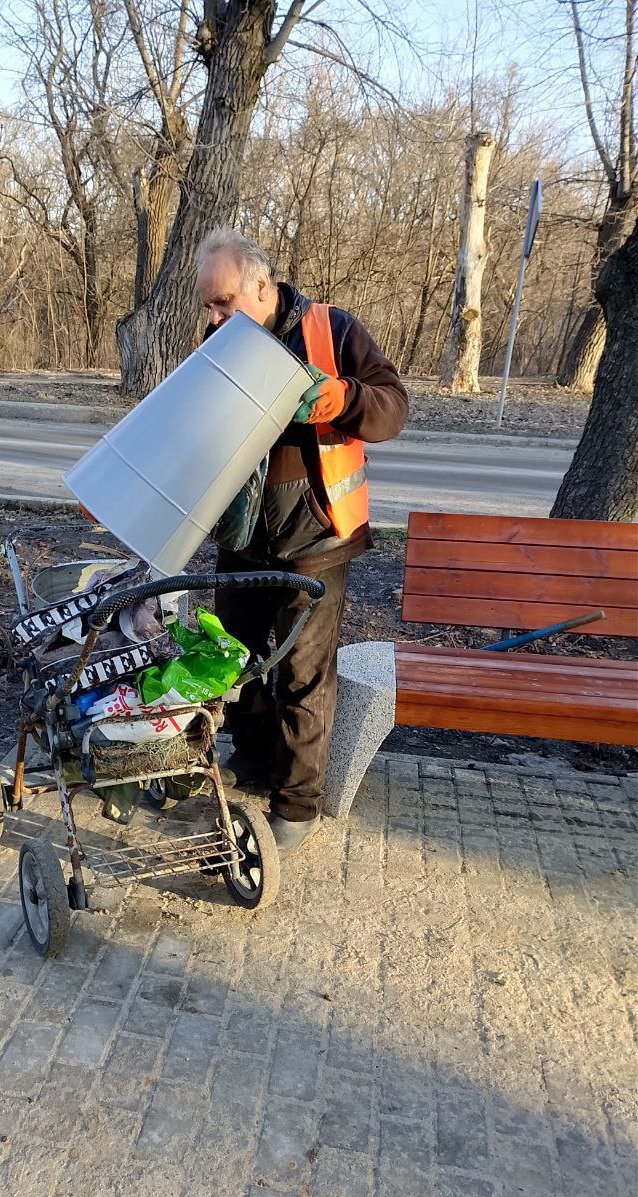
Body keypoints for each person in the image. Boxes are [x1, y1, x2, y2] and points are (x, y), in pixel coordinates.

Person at [196, 227, 407, 856]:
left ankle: (296, 804)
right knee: (233, 659)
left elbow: (393, 407)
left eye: (224, 302)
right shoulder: (215, 344)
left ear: (262, 285)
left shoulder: (333, 331)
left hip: (316, 539)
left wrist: (341, 398)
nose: (214, 317)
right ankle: (254, 758)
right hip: (241, 539)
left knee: (303, 675)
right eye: (207, 306)